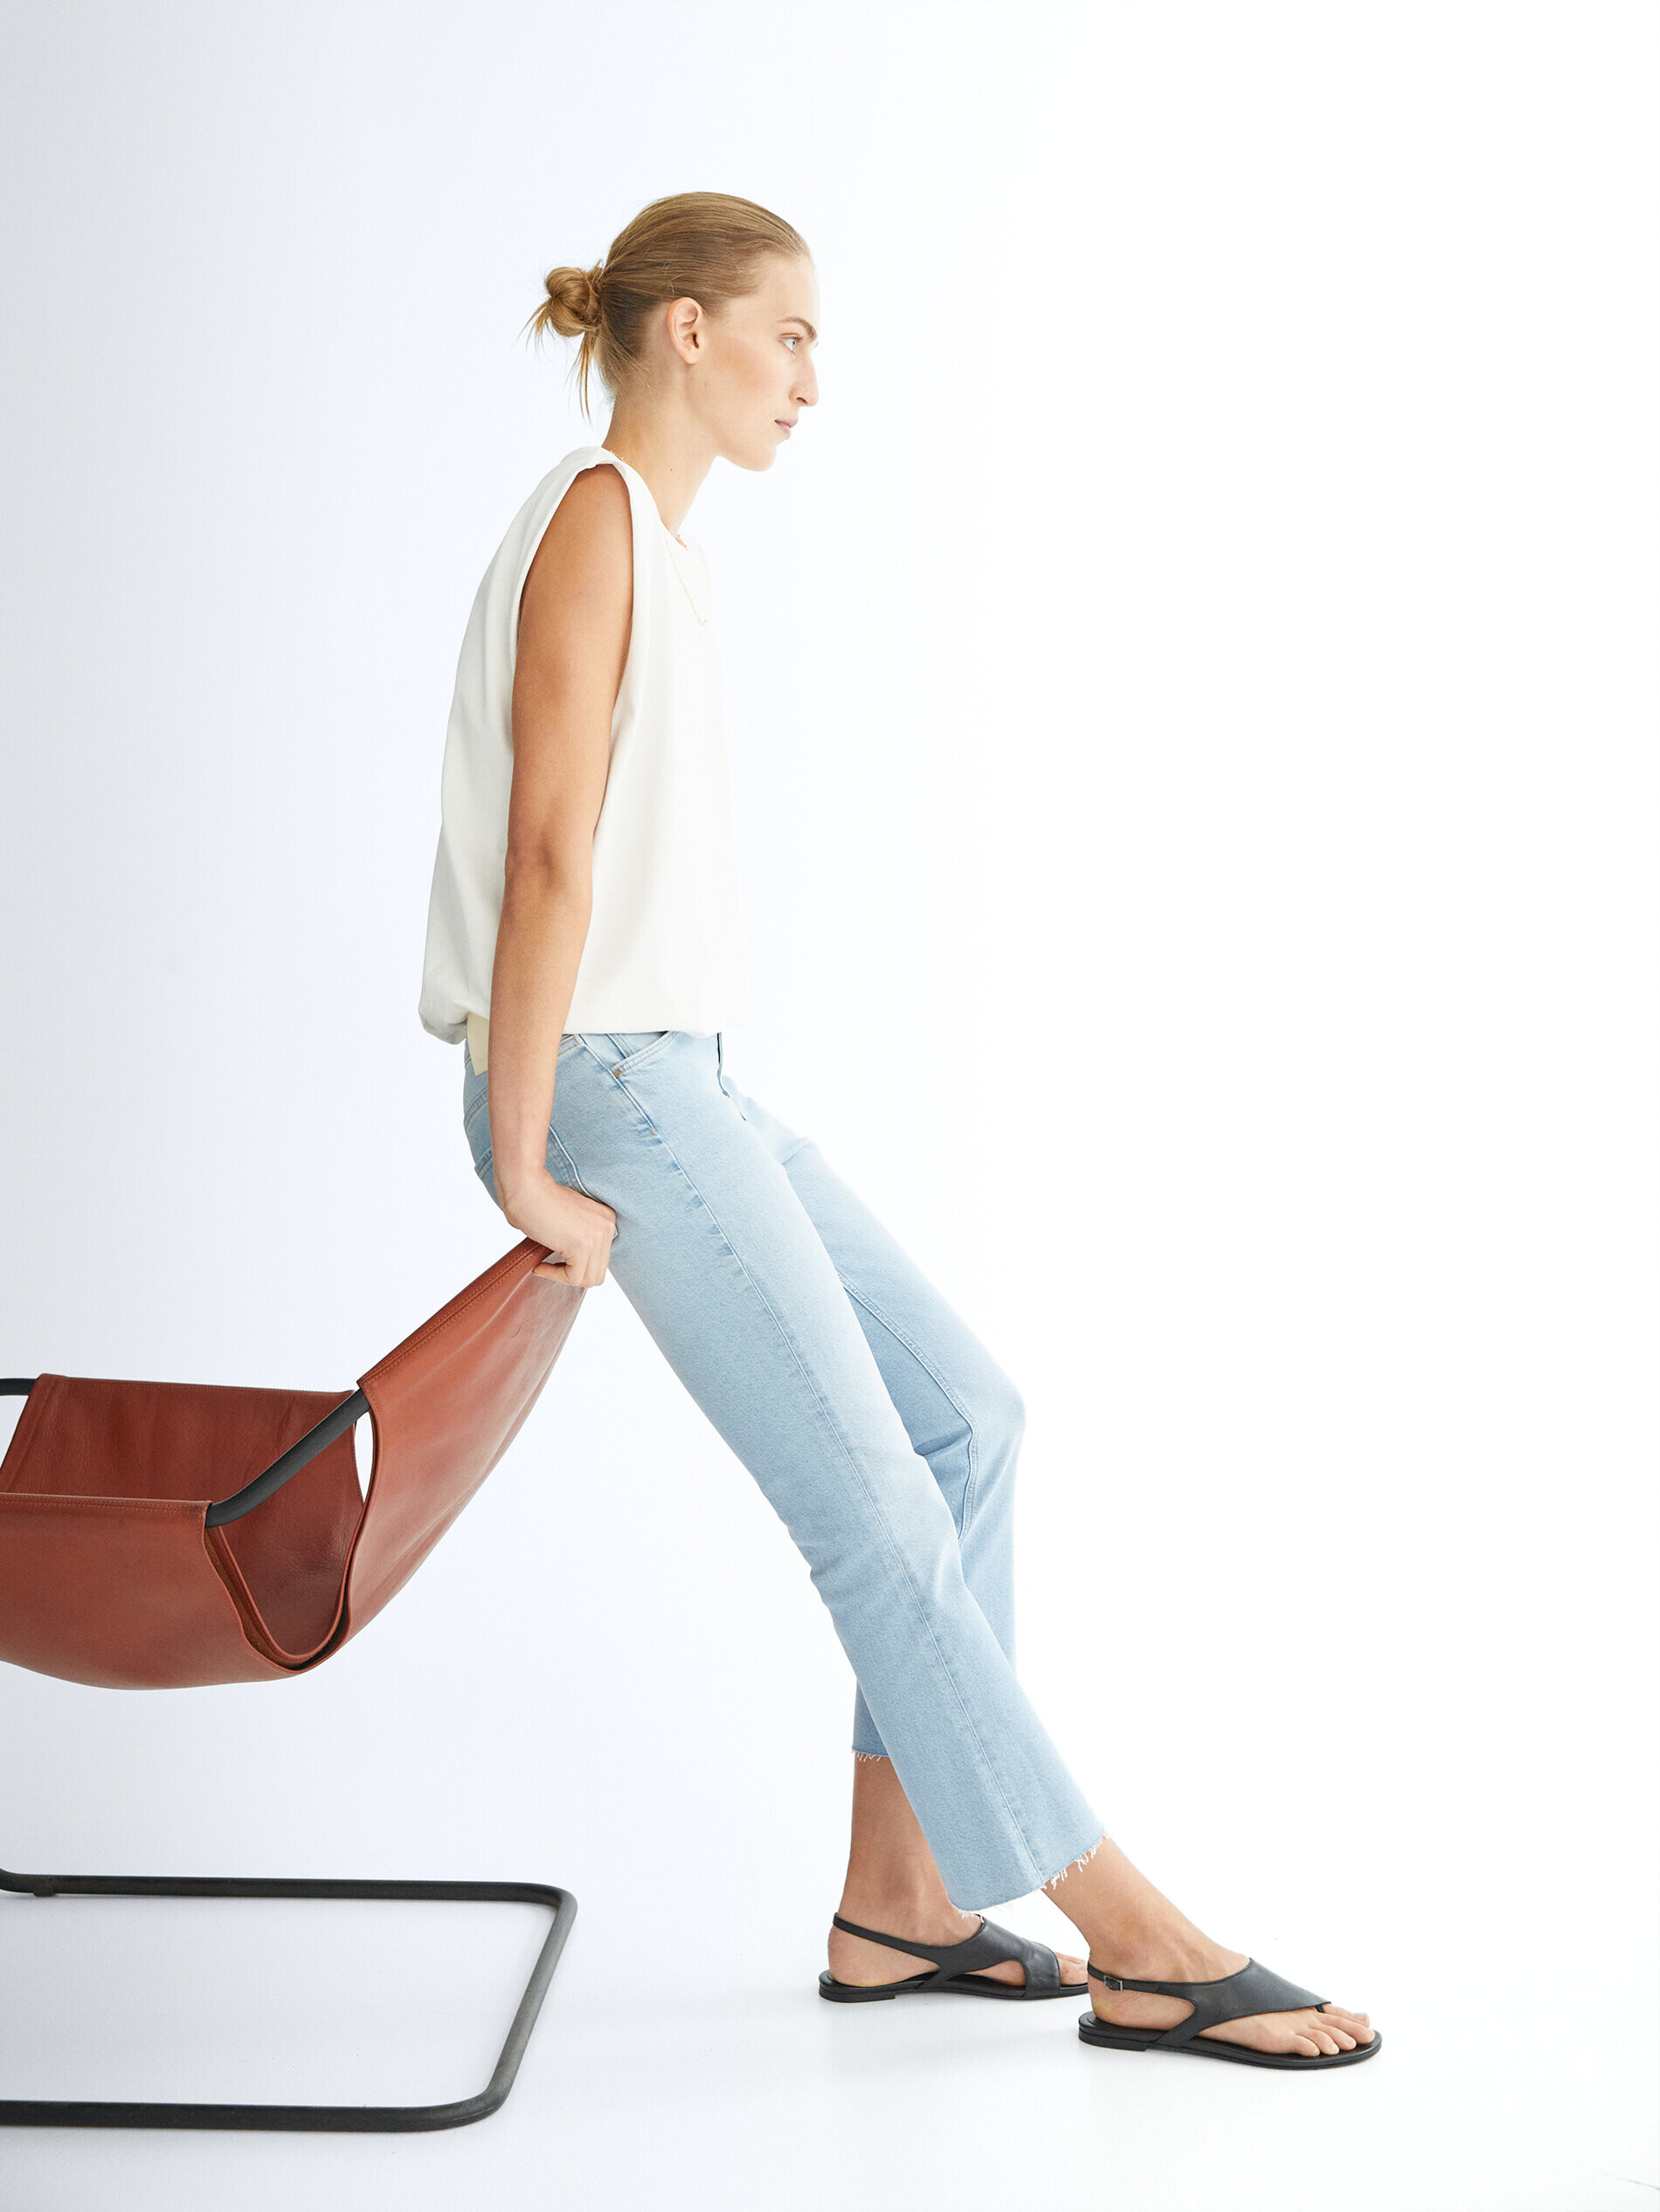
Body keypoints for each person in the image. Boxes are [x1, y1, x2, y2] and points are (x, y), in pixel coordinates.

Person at [417, 190, 1379, 2070]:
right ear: (686, 331)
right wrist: (524, 1158)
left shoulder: (657, 544)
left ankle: (899, 1903)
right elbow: (544, 858)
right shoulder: (596, 517)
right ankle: (1140, 1939)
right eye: (790, 337)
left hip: (681, 1071)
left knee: (966, 1424)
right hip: (608, 1082)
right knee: (873, 1505)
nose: (810, 381)